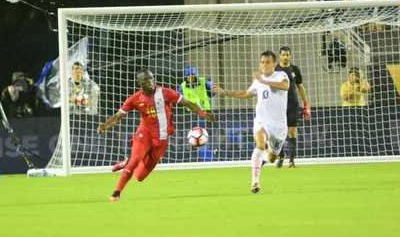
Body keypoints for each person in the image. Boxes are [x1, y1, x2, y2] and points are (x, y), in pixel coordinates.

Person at [98, 69, 215, 201]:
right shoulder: (135, 99)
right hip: (145, 134)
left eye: (151, 78)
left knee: (140, 177)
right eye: (146, 79)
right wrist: (105, 126)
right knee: (135, 159)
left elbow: (187, 103)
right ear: (139, 82)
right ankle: (116, 193)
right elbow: (118, 116)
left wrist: (203, 114)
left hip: (161, 140)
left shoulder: (165, 93)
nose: (150, 81)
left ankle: (126, 163)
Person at [213, 51, 289, 193]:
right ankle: (255, 182)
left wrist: (264, 81)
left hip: (279, 125)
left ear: (274, 63)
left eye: (267, 62)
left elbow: (286, 86)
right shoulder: (257, 81)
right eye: (262, 62)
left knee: (272, 158)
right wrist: (225, 92)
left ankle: (272, 156)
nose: (264, 65)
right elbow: (247, 93)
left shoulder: (281, 75)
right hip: (262, 120)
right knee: (260, 144)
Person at [274, 46, 309, 169]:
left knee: (292, 132)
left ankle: (292, 161)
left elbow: (300, 87)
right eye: (283, 55)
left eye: (287, 55)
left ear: (290, 56)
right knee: (278, 132)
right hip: (279, 105)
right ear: (279, 56)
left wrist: (306, 105)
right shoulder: (275, 69)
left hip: (293, 104)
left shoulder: (295, 69)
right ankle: (282, 154)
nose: (285, 57)